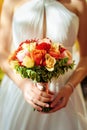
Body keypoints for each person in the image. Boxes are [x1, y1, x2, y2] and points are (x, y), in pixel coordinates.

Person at [0, 0, 87, 130]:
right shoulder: (11, 1)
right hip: (19, 88)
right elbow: (3, 53)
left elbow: (85, 57)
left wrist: (69, 87)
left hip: (65, 93)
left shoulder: (78, 3)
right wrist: (23, 85)